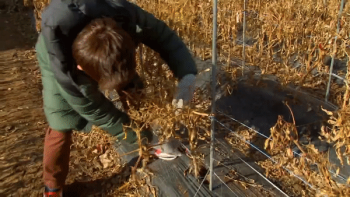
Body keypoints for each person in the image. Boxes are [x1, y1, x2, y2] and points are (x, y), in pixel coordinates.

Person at [35, 0, 197, 196]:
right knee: (60, 121)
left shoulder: (127, 15)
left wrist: (187, 75)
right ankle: (53, 187)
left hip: (105, 50)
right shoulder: (63, 62)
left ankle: (152, 141)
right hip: (56, 57)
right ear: (80, 67)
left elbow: (165, 38)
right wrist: (143, 137)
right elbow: (100, 113)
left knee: (133, 88)